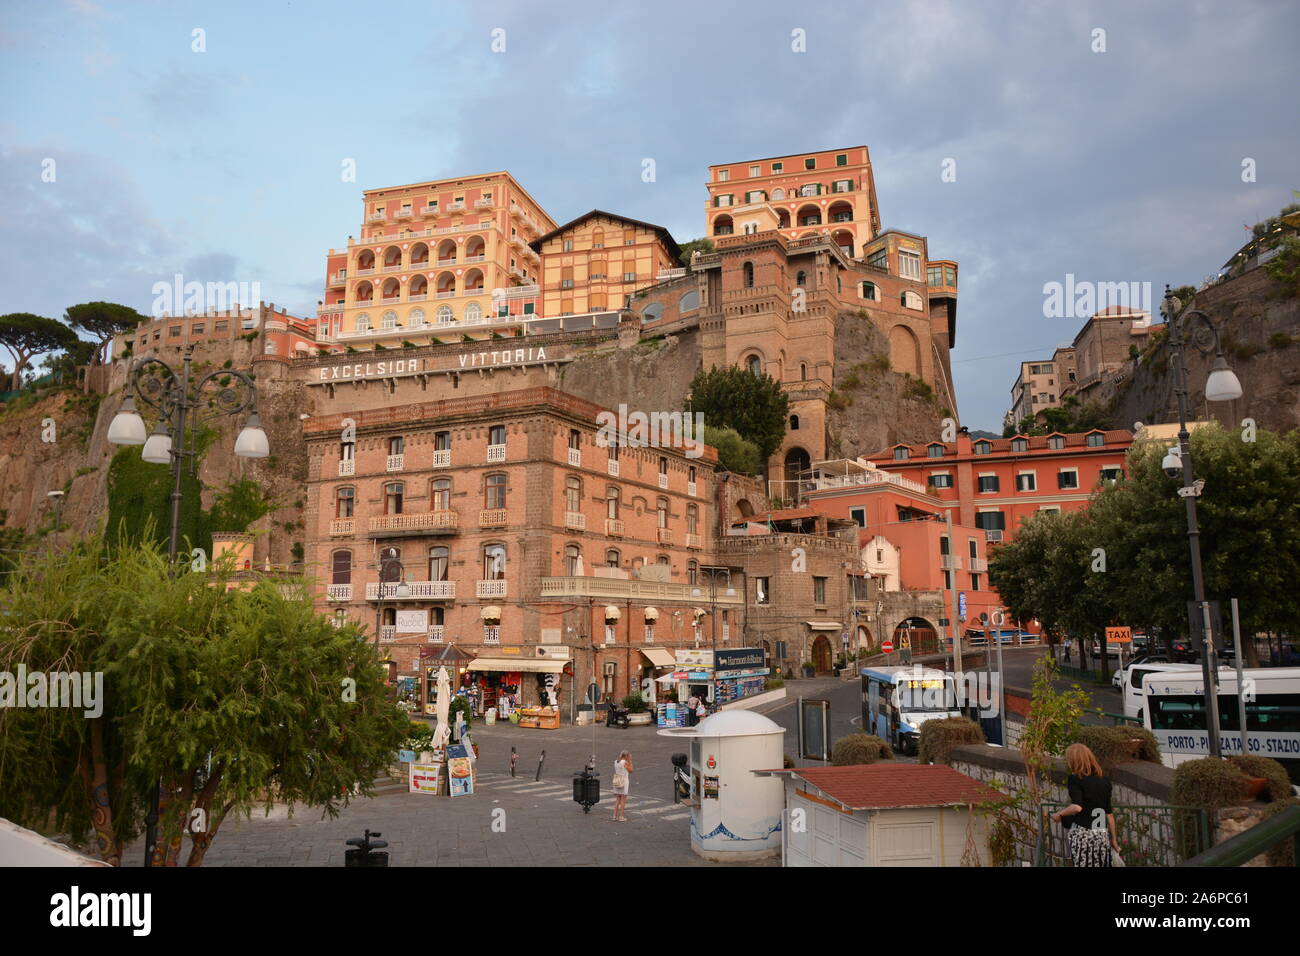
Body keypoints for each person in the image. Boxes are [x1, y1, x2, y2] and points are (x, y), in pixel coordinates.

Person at [1051, 743, 1119, 867]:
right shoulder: (1104, 780)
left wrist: (1059, 814)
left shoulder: (1075, 779)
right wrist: (1114, 839)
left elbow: (1077, 807)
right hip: (1101, 834)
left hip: (1083, 835)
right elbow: (1109, 814)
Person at [612, 750, 633, 822]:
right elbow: (631, 770)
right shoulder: (625, 762)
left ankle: (614, 816)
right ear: (626, 756)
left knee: (618, 799)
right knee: (623, 800)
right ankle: (621, 816)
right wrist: (630, 761)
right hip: (624, 782)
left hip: (617, 781)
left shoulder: (616, 762)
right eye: (629, 756)